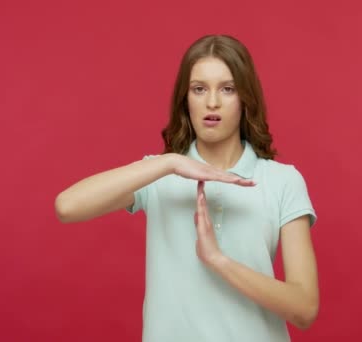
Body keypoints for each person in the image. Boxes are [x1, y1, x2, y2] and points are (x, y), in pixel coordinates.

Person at [55, 34, 319, 342]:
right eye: (199, 89)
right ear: (185, 99)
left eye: (228, 89)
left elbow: (304, 307)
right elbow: (67, 207)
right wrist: (169, 164)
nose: (212, 102)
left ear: (246, 98)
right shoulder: (158, 175)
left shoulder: (282, 180)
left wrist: (219, 261)